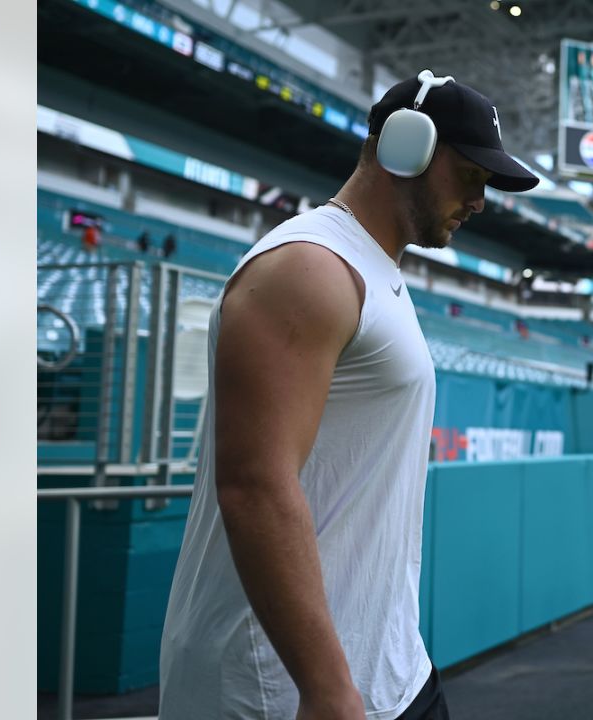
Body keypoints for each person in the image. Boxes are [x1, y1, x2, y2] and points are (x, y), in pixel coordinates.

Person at [159, 71, 538, 720]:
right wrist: (326, 686)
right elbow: (255, 484)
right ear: (406, 146)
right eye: (472, 175)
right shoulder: (309, 269)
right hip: (285, 691)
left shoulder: (370, 269)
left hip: (388, 672)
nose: (480, 201)